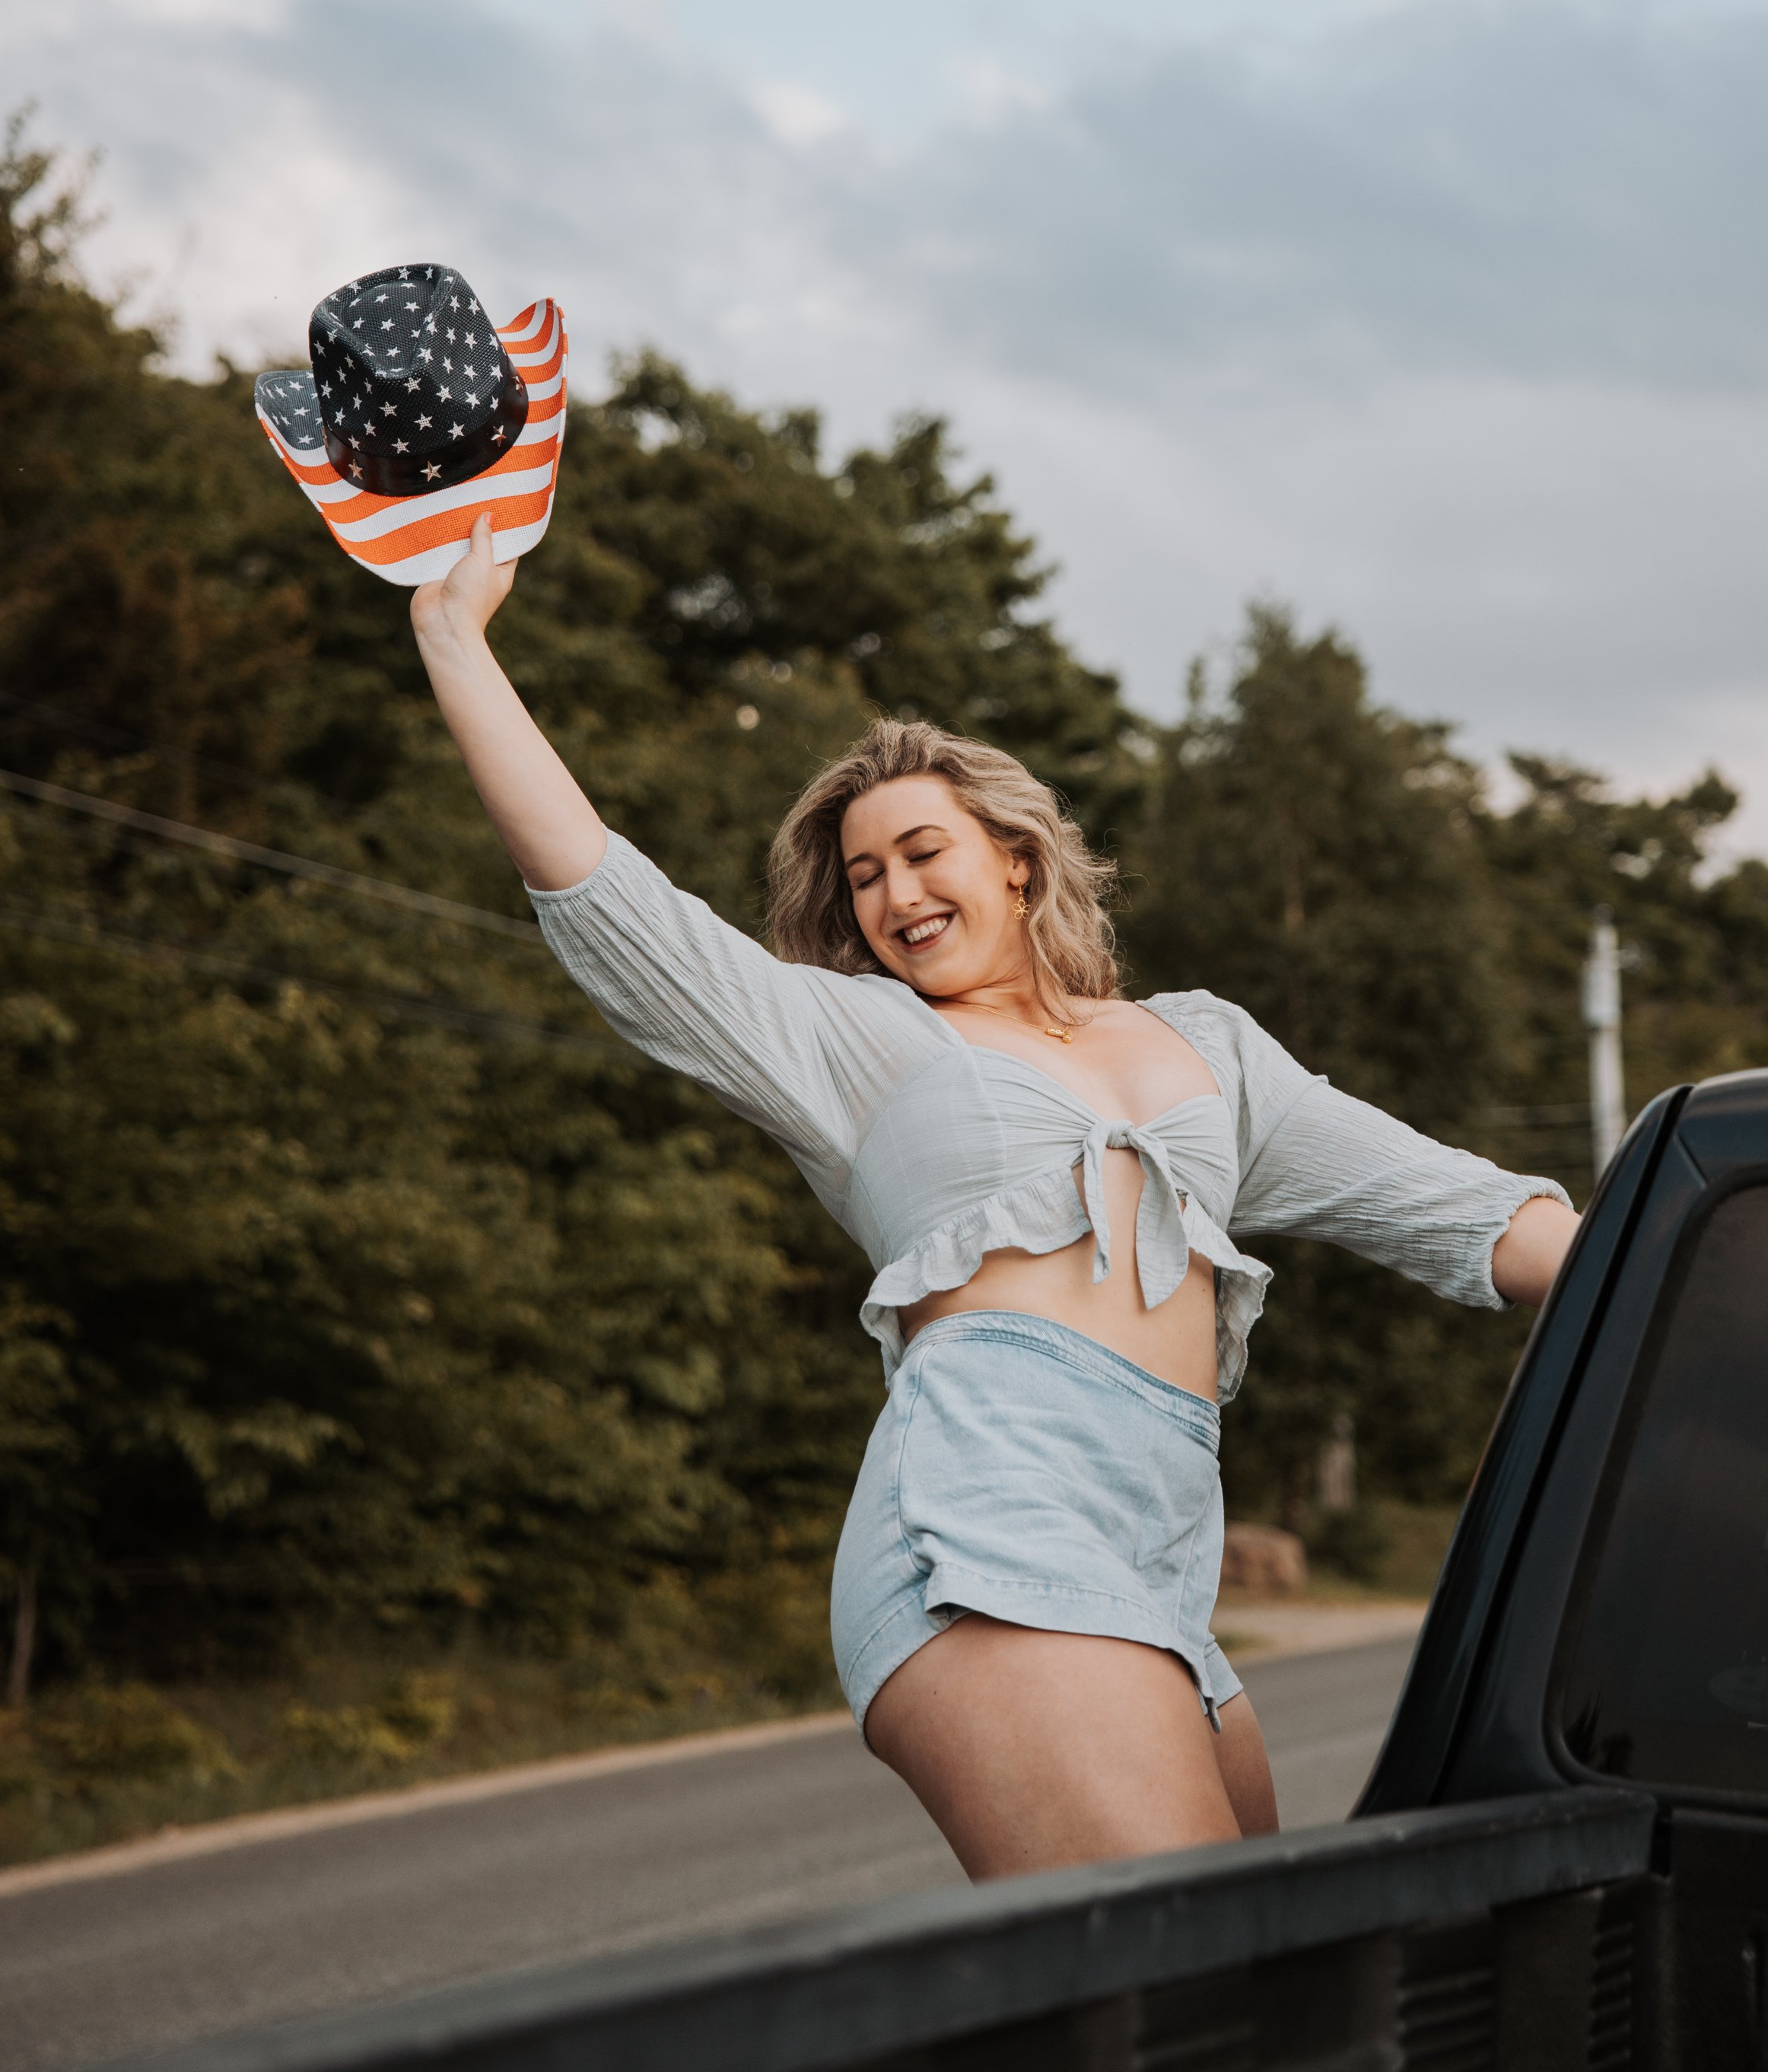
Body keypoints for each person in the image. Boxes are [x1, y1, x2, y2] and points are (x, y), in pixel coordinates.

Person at [412, 516, 1578, 1879]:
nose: (895, 894)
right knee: (1191, 1971)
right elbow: (616, 906)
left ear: (1016, 856)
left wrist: (1713, 1256)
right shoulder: (863, 1043)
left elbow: (1468, 1213)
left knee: (1264, 1979)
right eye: (864, 877)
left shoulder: (1209, 1046)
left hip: (1162, 1551)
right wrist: (454, 638)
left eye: (923, 851)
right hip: (977, 1524)